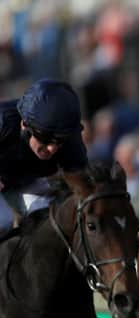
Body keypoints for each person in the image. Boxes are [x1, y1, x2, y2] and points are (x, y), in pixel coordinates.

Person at [0, 78, 88, 232]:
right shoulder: (3, 123)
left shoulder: (70, 138)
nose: (52, 148)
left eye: (60, 141)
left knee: (45, 221)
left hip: (24, 180)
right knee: (3, 222)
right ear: (24, 125)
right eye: (46, 138)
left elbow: (81, 181)